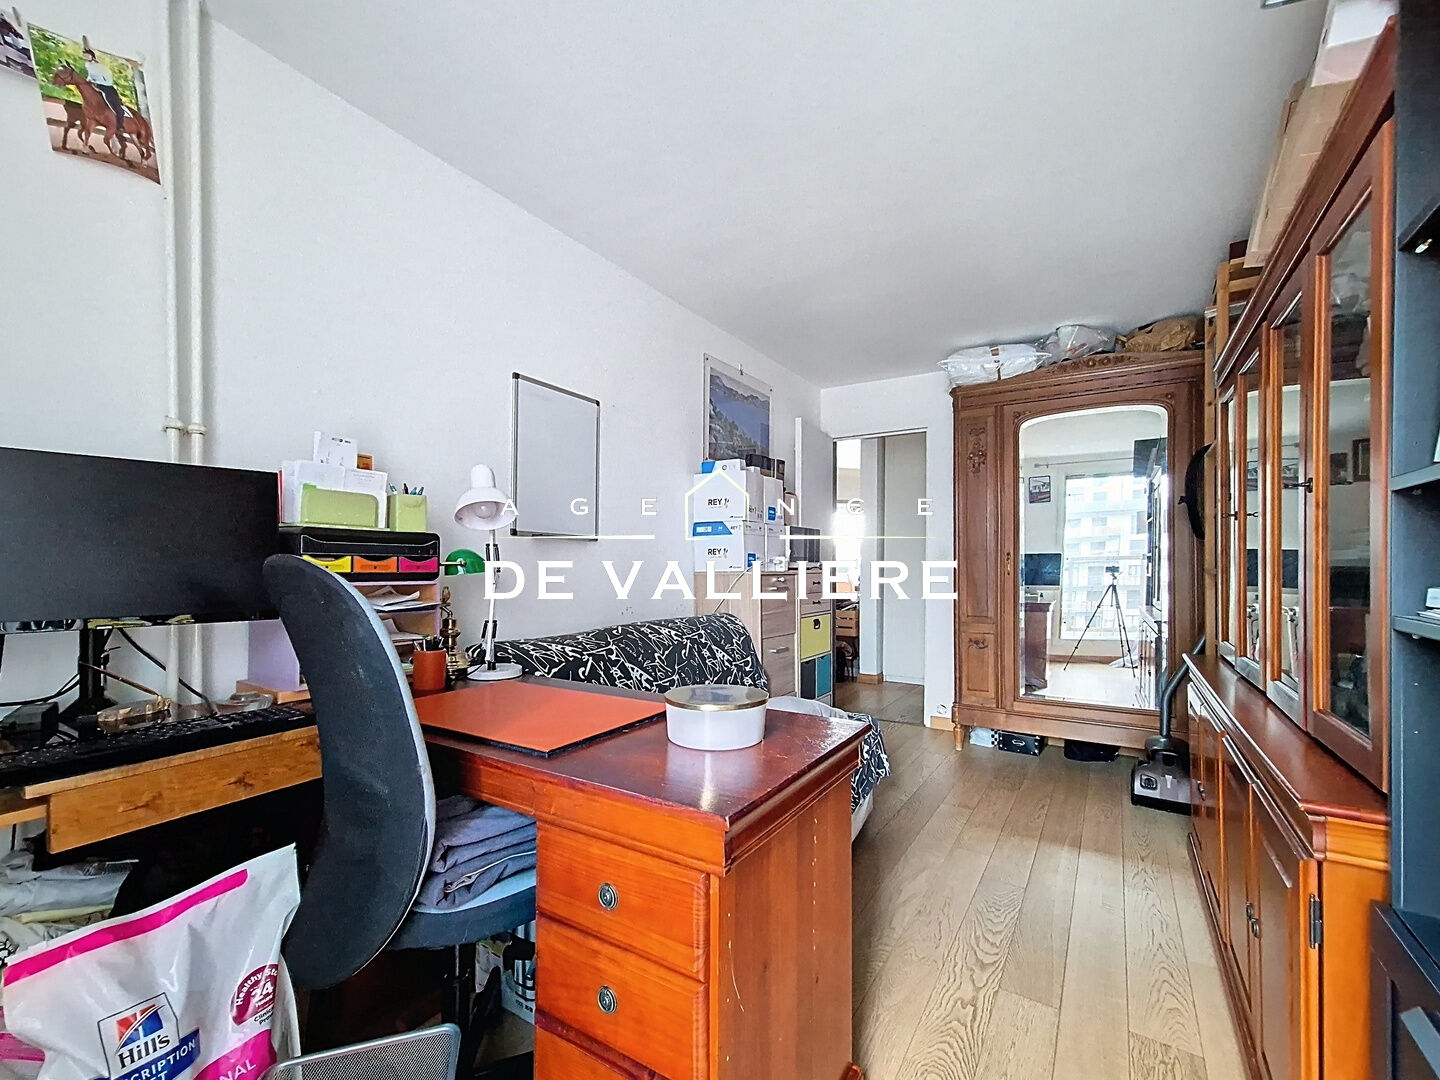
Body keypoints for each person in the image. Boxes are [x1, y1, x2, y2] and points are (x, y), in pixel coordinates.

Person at [82, 48, 126, 135]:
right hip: (95, 85)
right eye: (85, 56)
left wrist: (96, 81)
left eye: (87, 56)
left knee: (116, 105)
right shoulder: (87, 65)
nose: (86, 57)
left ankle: (119, 125)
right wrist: (88, 80)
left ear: (92, 56)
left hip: (107, 87)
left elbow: (108, 79)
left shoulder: (100, 66)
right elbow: (90, 75)